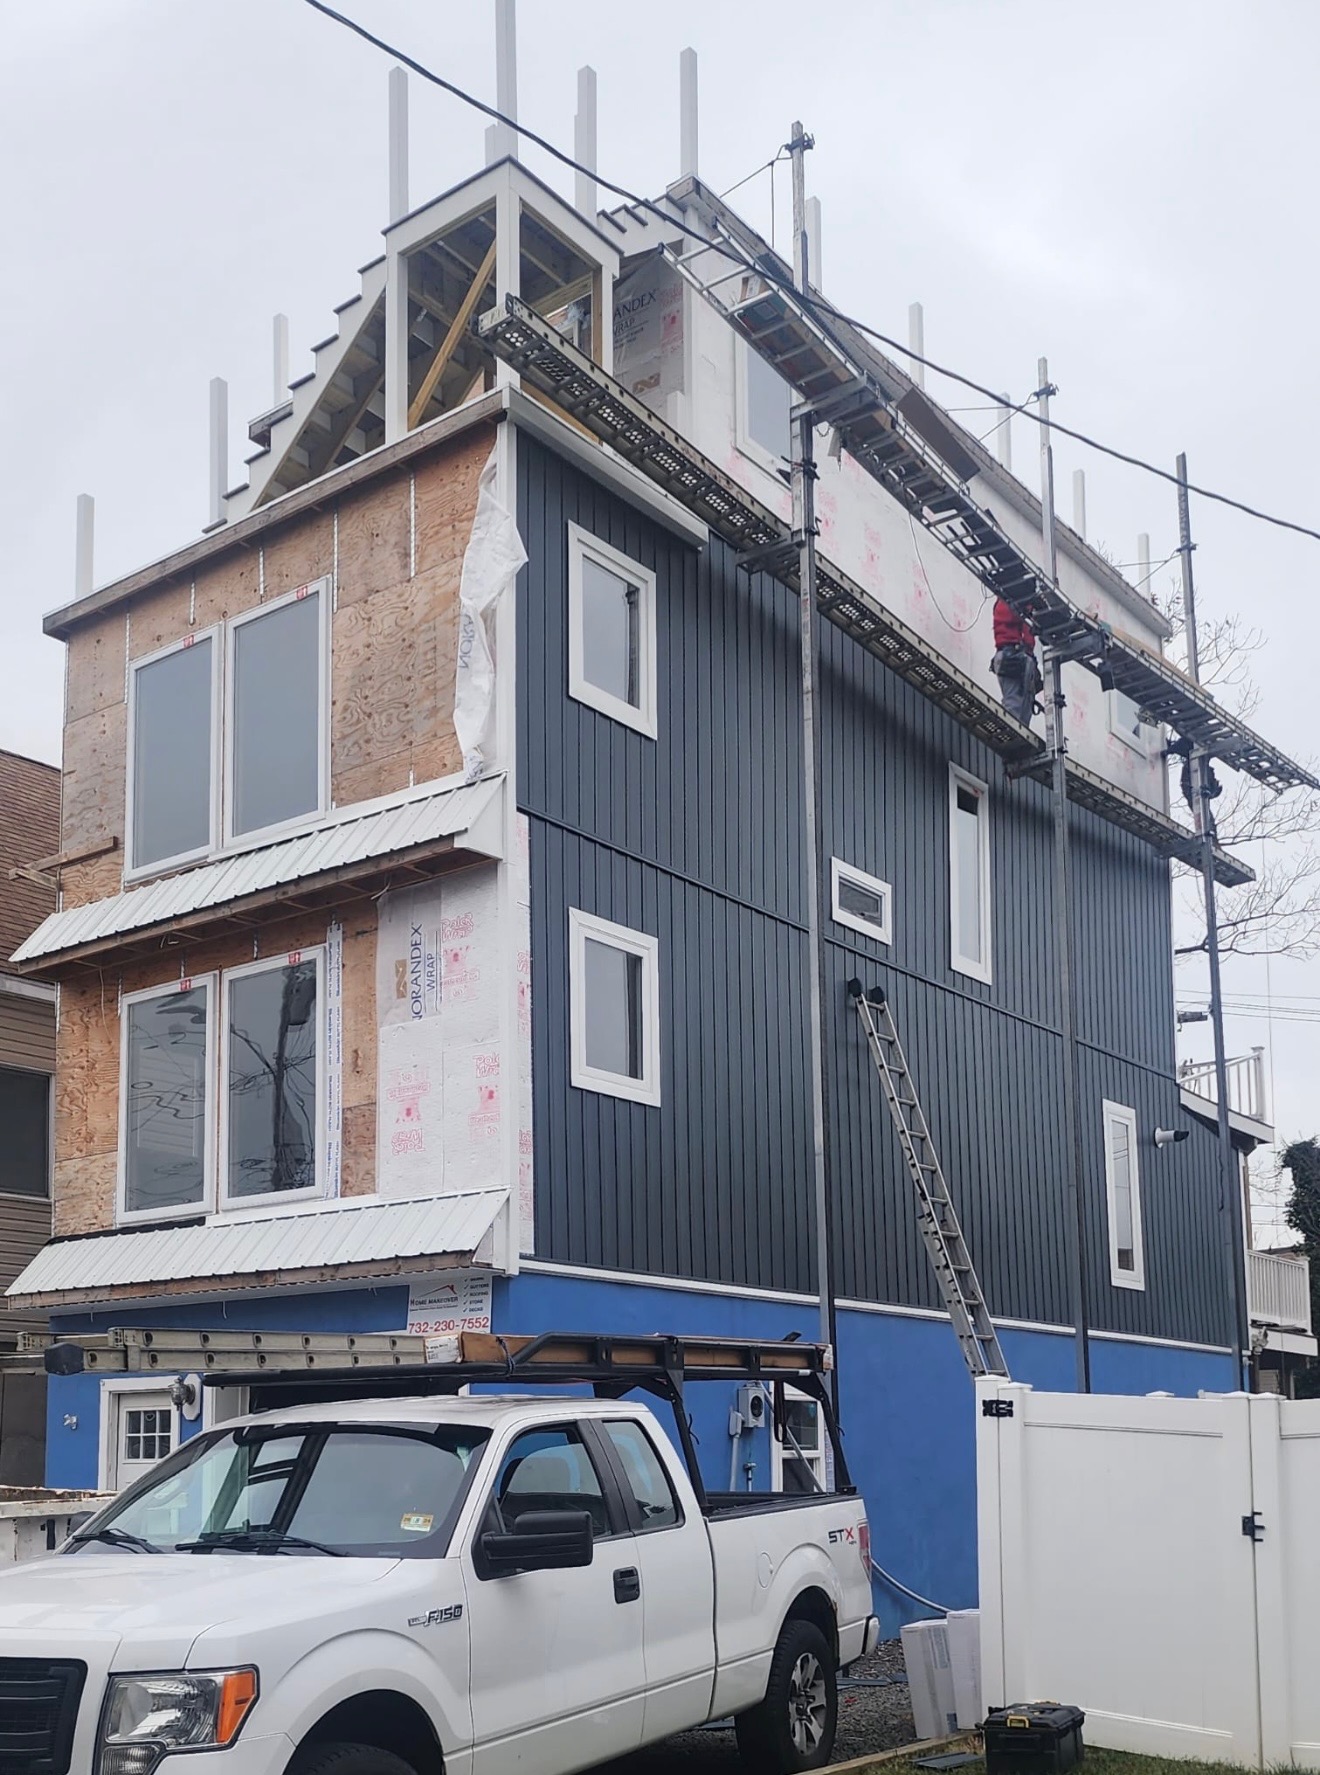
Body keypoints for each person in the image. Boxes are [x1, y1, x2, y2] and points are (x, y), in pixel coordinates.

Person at [991, 599, 1042, 725]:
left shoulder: (1025, 604)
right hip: (1012, 655)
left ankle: (1018, 738)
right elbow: (1011, 616)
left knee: (1024, 714)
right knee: (1013, 707)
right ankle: (1009, 733)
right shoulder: (1006, 600)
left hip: (1023, 658)